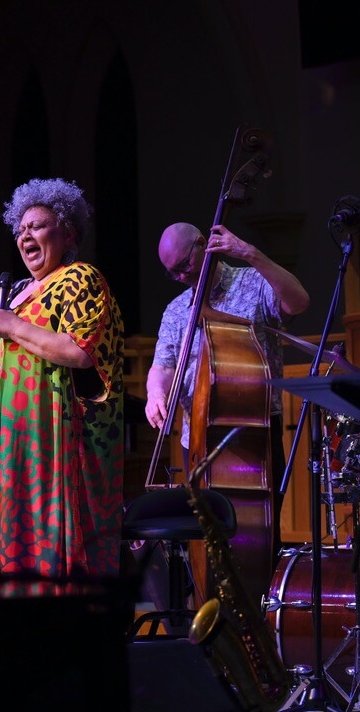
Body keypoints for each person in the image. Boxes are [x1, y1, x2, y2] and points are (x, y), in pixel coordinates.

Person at [0, 178, 125, 581]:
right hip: (3, 446)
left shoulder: (82, 279)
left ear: (68, 232)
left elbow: (79, 352)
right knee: (4, 543)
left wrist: (13, 327)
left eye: (36, 226)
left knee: (49, 548)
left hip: (53, 445)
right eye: (20, 230)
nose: (25, 236)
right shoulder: (17, 291)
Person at [145, 221, 310, 536]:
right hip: (196, 437)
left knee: (259, 532)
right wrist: (155, 394)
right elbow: (163, 366)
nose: (181, 276)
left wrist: (250, 253)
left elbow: (299, 302)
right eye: (173, 273)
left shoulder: (251, 283)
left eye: (184, 265)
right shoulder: (177, 310)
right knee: (203, 534)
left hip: (251, 433)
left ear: (202, 244)